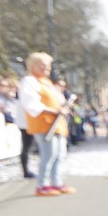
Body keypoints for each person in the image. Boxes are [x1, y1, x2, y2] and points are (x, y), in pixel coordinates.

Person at [18, 52, 75, 197]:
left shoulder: (46, 82)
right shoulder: (29, 81)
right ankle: (42, 185)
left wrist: (65, 107)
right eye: (42, 65)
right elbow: (31, 103)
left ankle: (56, 182)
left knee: (59, 155)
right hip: (44, 124)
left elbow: (58, 101)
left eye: (48, 65)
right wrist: (54, 111)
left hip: (57, 124)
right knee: (48, 155)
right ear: (32, 66)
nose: (47, 68)